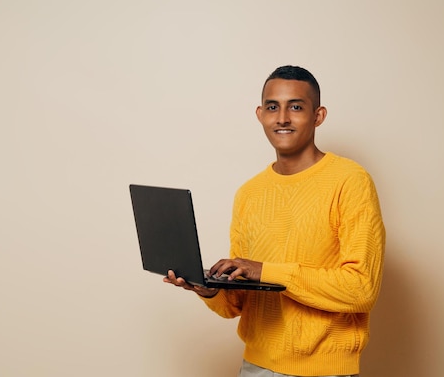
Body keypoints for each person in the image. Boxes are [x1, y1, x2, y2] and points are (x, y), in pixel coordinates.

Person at [164, 65, 385, 377]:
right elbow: (237, 303)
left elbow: (362, 289)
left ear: (318, 116)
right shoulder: (249, 193)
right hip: (255, 367)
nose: (282, 117)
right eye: (272, 107)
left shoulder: (350, 181)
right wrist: (207, 288)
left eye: (296, 106)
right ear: (260, 115)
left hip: (324, 371)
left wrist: (264, 270)